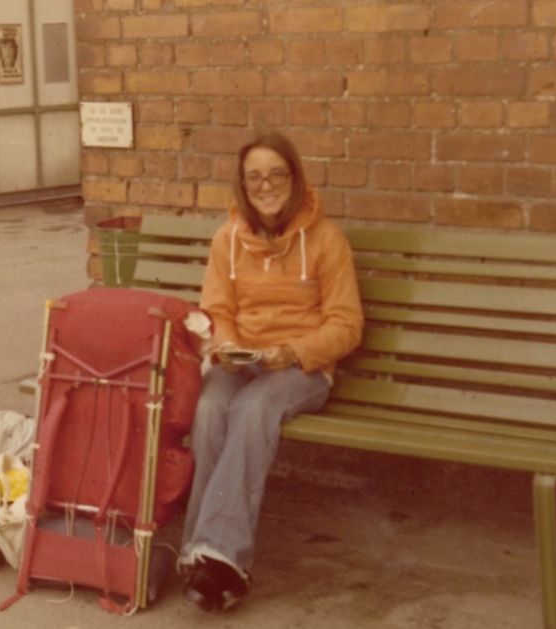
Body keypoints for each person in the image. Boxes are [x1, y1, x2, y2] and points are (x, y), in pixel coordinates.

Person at [179, 131, 364, 612]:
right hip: (245, 360)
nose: (266, 186)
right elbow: (218, 308)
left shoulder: (326, 240)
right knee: (212, 404)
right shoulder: (228, 238)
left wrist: (295, 351)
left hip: (302, 369)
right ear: (243, 185)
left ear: (295, 178)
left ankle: (220, 556)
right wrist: (225, 344)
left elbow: (347, 325)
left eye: (276, 175)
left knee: (255, 406)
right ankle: (206, 554)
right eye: (254, 177)